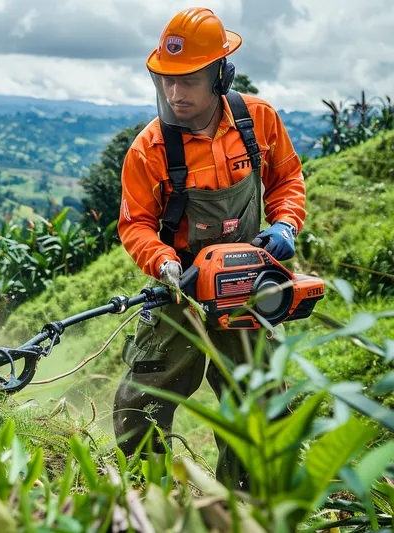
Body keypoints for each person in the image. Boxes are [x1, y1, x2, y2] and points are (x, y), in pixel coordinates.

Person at [112, 7, 306, 488]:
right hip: (181, 285)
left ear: (221, 74)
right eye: (167, 82)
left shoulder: (257, 121)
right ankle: (144, 493)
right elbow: (135, 223)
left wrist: (285, 225)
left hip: (248, 282)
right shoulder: (150, 149)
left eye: (190, 81)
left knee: (260, 401)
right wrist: (164, 264)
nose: (176, 94)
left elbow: (287, 179)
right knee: (144, 396)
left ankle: (250, 502)